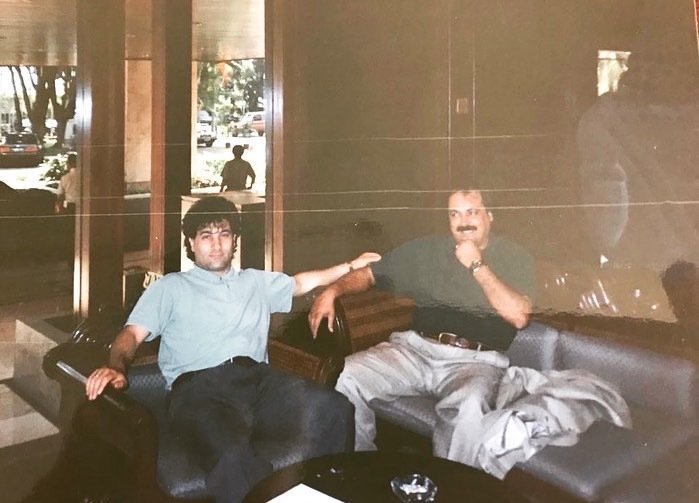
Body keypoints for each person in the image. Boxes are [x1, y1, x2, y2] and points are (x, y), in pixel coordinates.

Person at [84, 196, 381, 503]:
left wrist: (351, 265)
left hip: (259, 382)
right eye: (206, 236)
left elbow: (301, 283)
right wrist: (116, 366)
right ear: (191, 243)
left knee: (335, 408)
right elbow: (131, 335)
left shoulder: (255, 281)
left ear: (235, 240)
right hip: (198, 391)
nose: (216, 244)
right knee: (233, 454)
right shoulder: (170, 287)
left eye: (224, 234)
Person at [308, 189, 536, 455]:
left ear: (490, 216)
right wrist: (332, 291)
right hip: (415, 350)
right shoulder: (427, 249)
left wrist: (476, 265)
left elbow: (519, 316)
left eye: (472, 212)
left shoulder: (515, 256)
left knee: (470, 407)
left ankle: (451, 480)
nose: (463, 222)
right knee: (347, 375)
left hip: (475, 362)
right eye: (454, 214)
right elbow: (369, 274)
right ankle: (359, 469)